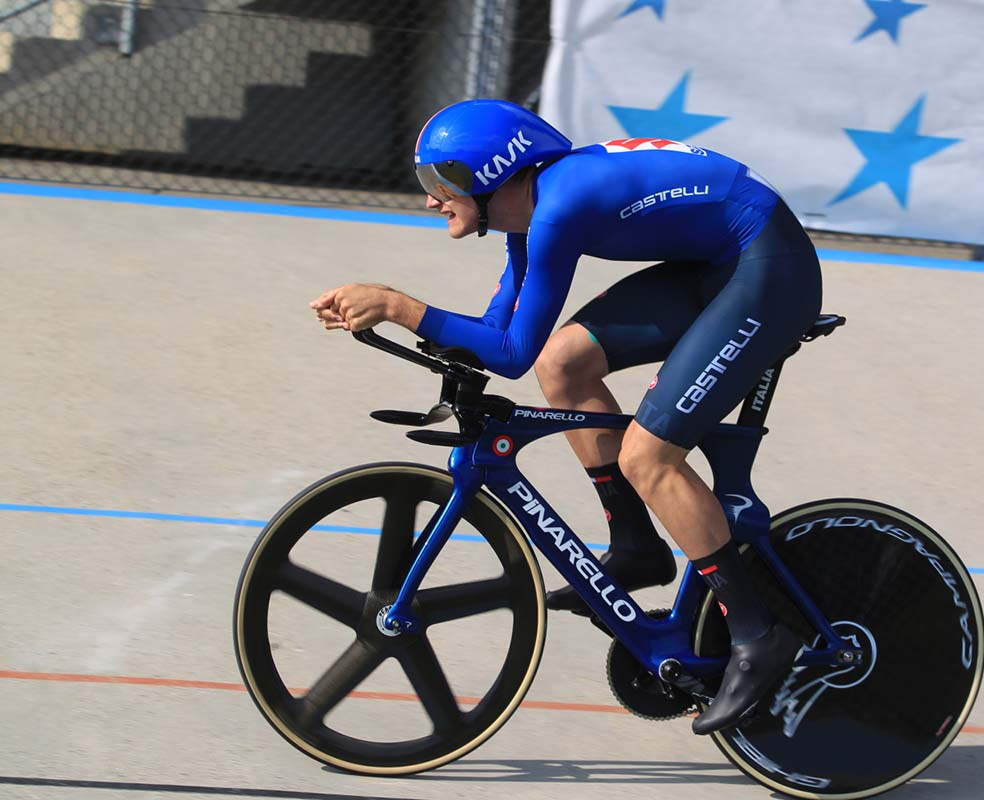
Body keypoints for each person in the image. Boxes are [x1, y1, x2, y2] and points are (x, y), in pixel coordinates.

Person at [311, 99, 823, 735]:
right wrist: (418, 329)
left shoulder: (558, 209)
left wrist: (393, 302)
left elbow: (509, 353)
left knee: (648, 457)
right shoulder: (528, 215)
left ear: (491, 173)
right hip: (718, 267)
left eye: (439, 183)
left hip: (767, 269)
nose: (429, 200)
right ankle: (636, 547)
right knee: (565, 365)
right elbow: (503, 335)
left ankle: (757, 633)